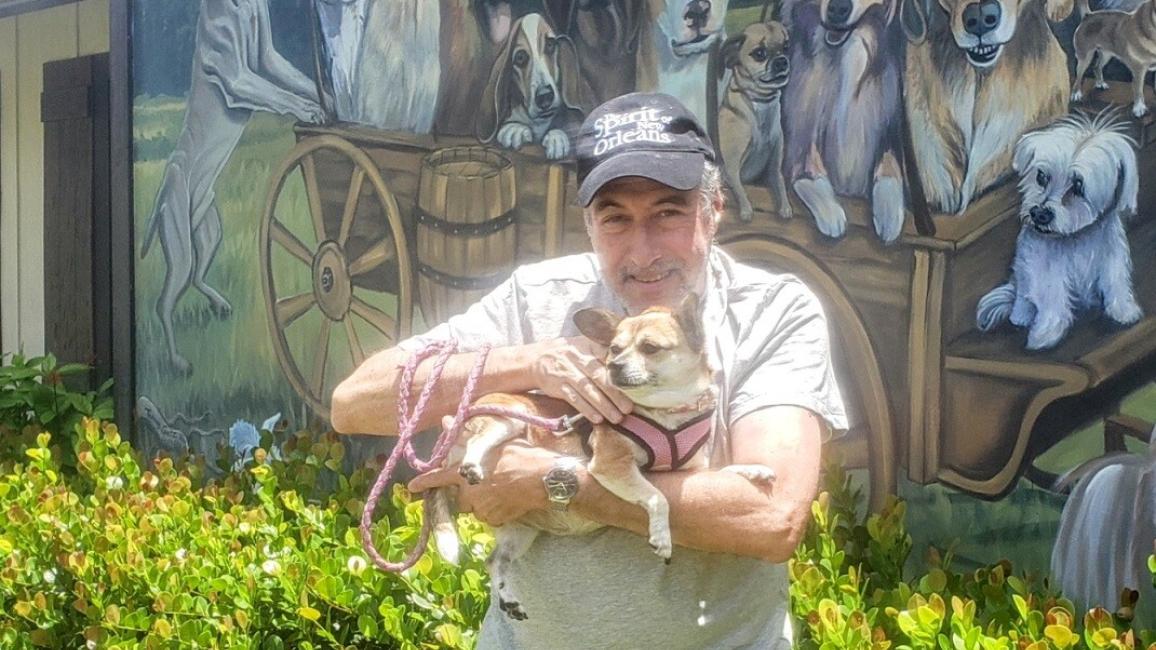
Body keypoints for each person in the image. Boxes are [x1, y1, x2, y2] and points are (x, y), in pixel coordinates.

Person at [330, 92, 848, 649]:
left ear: (712, 211)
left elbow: (770, 520)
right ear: (590, 226)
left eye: (667, 212)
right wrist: (529, 361)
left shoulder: (772, 311)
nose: (642, 250)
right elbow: (355, 403)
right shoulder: (538, 298)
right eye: (616, 219)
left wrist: (548, 483)